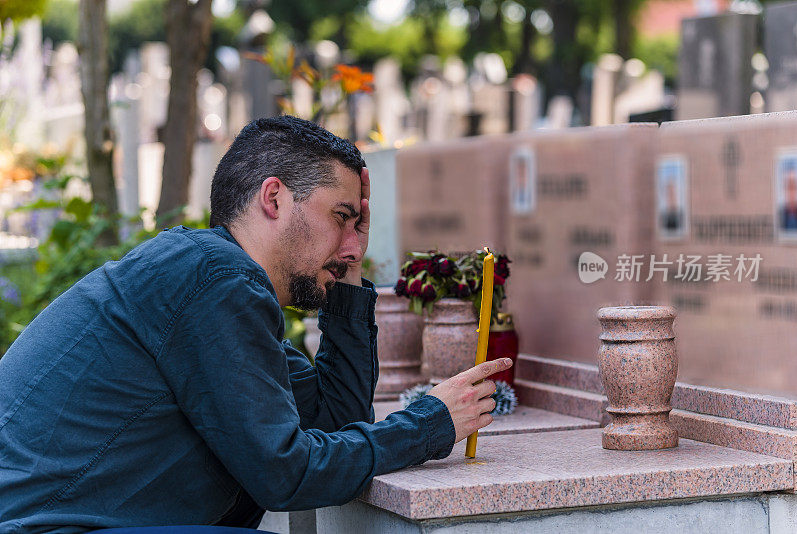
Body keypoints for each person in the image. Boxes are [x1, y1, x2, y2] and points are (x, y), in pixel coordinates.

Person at [0, 116, 510, 533]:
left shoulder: (209, 279)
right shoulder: (216, 280)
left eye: (360, 226)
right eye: (340, 216)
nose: (356, 246)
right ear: (274, 199)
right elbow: (285, 475)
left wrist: (347, 270)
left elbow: (332, 420)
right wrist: (428, 423)